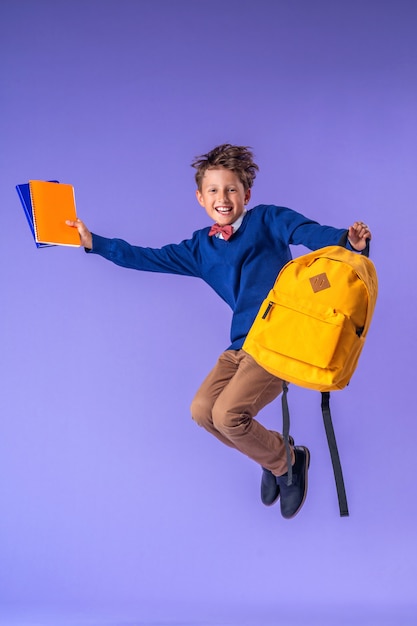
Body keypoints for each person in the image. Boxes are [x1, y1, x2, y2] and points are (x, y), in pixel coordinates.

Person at [67, 144, 372, 520]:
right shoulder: (201, 247)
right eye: (213, 190)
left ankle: (287, 462)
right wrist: (94, 242)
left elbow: (306, 231)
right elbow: (148, 256)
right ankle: (275, 453)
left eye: (231, 189)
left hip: (278, 344)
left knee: (229, 416)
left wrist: (346, 240)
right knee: (202, 412)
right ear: (200, 197)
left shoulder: (267, 219)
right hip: (240, 344)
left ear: (247, 194)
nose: (223, 198)